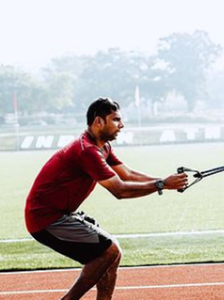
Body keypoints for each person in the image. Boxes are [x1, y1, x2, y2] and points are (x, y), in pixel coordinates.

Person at [25, 97, 188, 300]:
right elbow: (120, 190)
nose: (122, 125)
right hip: (46, 218)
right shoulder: (88, 151)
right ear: (98, 121)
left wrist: (164, 181)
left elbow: (127, 174)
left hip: (61, 214)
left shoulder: (102, 147)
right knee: (110, 249)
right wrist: (162, 184)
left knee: (111, 256)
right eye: (116, 119)